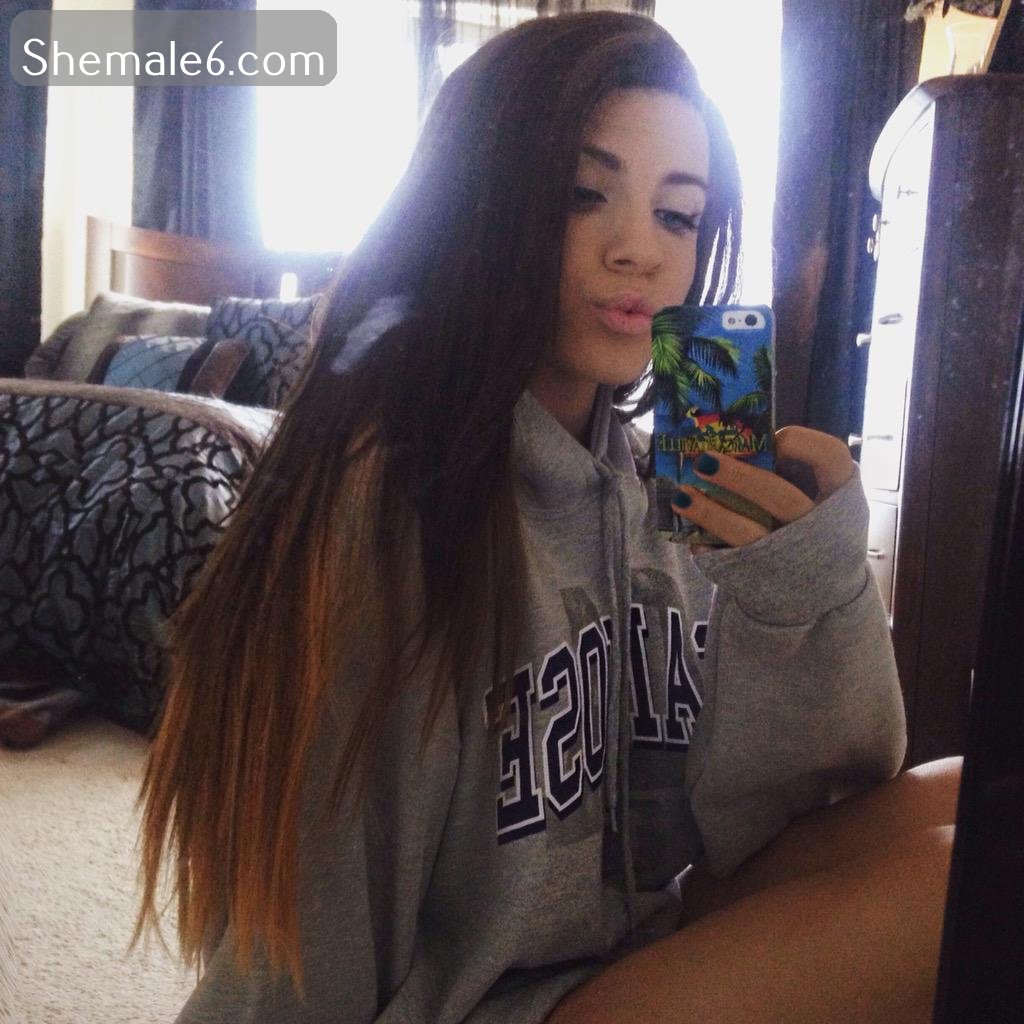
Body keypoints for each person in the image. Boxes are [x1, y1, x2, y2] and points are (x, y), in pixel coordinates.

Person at [133, 11, 959, 1023]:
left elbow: (759, 826)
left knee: (972, 802)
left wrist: (801, 590)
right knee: (953, 890)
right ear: (479, 204)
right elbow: (303, 926)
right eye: (584, 194)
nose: (639, 251)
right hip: (489, 1004)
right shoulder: (386, 506)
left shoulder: (658, 486)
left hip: (631, 943)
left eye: (678, 214)